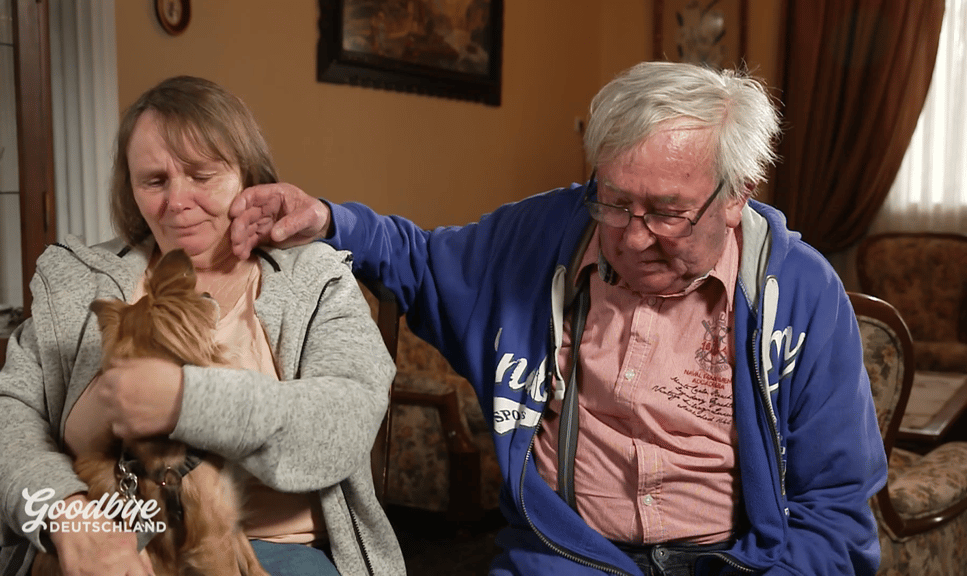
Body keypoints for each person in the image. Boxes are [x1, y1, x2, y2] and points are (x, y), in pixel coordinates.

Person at [228, 61, 887, 575]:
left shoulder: (802, 295)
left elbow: (834, 517)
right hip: (564, 555)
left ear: (738, 195)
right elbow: (425, 262)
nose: (631, 237)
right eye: (613, 201)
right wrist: (329, 218)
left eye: (665, 212)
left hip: (738, 563)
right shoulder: (545, 232)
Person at [0, 76, 404, 576]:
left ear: (247, 176)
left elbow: (346, 419)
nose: (176, 201)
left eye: (201, 175)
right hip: (106, 543)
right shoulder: (78, 279)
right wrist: (61, 509)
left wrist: (185, 401)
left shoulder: (315, 280)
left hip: (275, 550)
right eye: (154, 181)